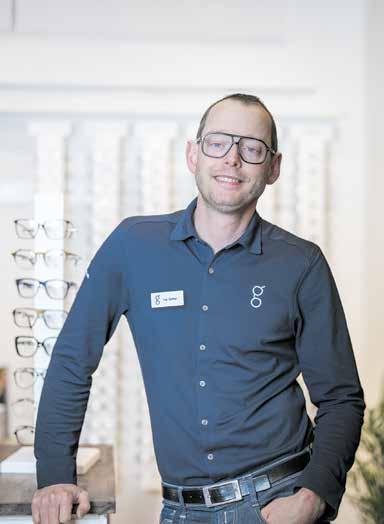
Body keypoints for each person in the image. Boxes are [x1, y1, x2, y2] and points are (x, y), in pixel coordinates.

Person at [31, 93, 365, 524]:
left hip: (277, 501)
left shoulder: (301, 264)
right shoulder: (133, 246)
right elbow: (72, 359)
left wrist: (313, 496)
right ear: (193, 154)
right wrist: (55, 476)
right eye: (218, 143)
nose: (232, 159)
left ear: (274, 168)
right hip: (180, 510)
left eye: (252, 148)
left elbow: (341, 397)